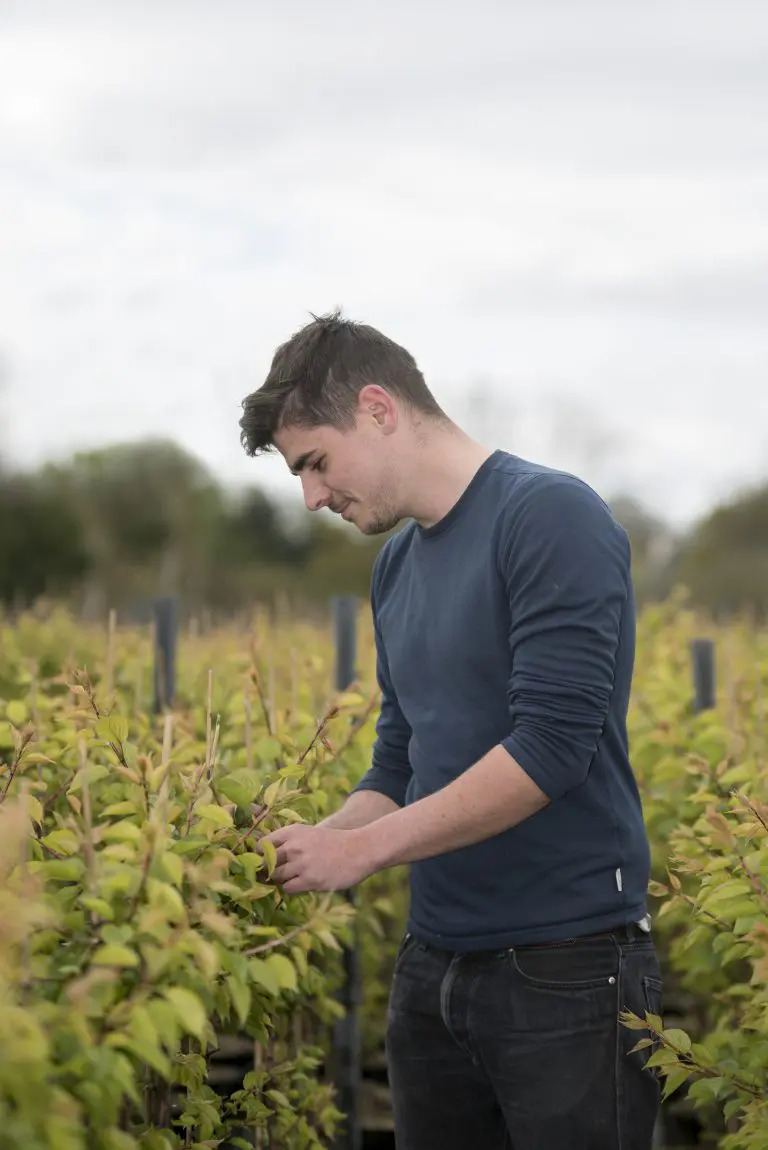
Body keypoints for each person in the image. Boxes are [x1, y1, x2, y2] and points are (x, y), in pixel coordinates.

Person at [238, 310, 663, 1150]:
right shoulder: (396, 567)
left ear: (378, 409)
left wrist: (364, 853)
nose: (313, 497)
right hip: (431, 966)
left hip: (568, 969)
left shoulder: (550, 516)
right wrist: (319, 841)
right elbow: (400, 760)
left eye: (315, 463)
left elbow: (550, 749)